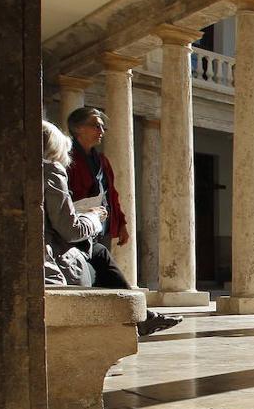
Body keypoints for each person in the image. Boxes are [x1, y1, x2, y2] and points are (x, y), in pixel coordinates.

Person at [42, 120, 180, 337]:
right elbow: (70, 229)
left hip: (52, 247)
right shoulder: (50, 170)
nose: (102, 131)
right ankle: (136, 317)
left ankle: (140, 316)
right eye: (95, 125)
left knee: (98, 252)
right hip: (50, 261)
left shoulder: (98, 160)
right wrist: (94, 218)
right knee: (99, 256)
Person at [65, 107, 128, 248]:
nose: (102, 131)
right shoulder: (66, 159)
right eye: (96, 126)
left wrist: (121, 224)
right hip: (78, 228)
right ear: (78, 128)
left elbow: (111, 194)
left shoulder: (102, 161)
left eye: (102, 127)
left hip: (101, 228)